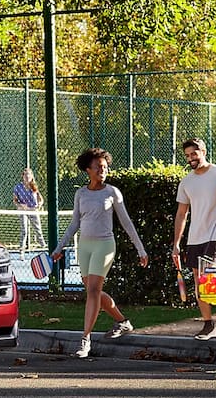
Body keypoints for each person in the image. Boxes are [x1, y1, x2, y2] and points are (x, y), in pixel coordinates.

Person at [51, 148, 148, 358]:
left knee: (94, 290)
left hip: (105, 245)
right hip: (84, 246)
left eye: (105, 167)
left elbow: (126, 223)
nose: (102, 170)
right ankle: (123, 322)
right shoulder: (81, 193)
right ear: (88, 170)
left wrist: (140, 249)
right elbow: (74, 223)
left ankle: (85, 340)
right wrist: (60, 248)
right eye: (98, 167)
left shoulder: (112, 192)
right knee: (92, 291)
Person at [172, 138, 216, 341]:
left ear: (203, 151)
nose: (190, 158)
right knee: (198, 279)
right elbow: (181, 214)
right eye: (187, 156)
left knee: (206, 276)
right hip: (195, 237)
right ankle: (210, 323)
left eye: (194, 154)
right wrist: (176, 243)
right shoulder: (187, 181)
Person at [13, 167, 47, 251]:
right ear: (23, 176)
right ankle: (22, 248)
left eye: (29, 175)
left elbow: (41, 199)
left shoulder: (34, 186)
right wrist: (21, 206)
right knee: (24, 229)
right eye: (26, 175)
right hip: (23, 211)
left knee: (38, 229)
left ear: (32, 176)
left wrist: (39, 204)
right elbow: (15, 201)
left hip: (33, 210)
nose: (27, 177)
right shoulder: (18, 187)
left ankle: (43, 246)